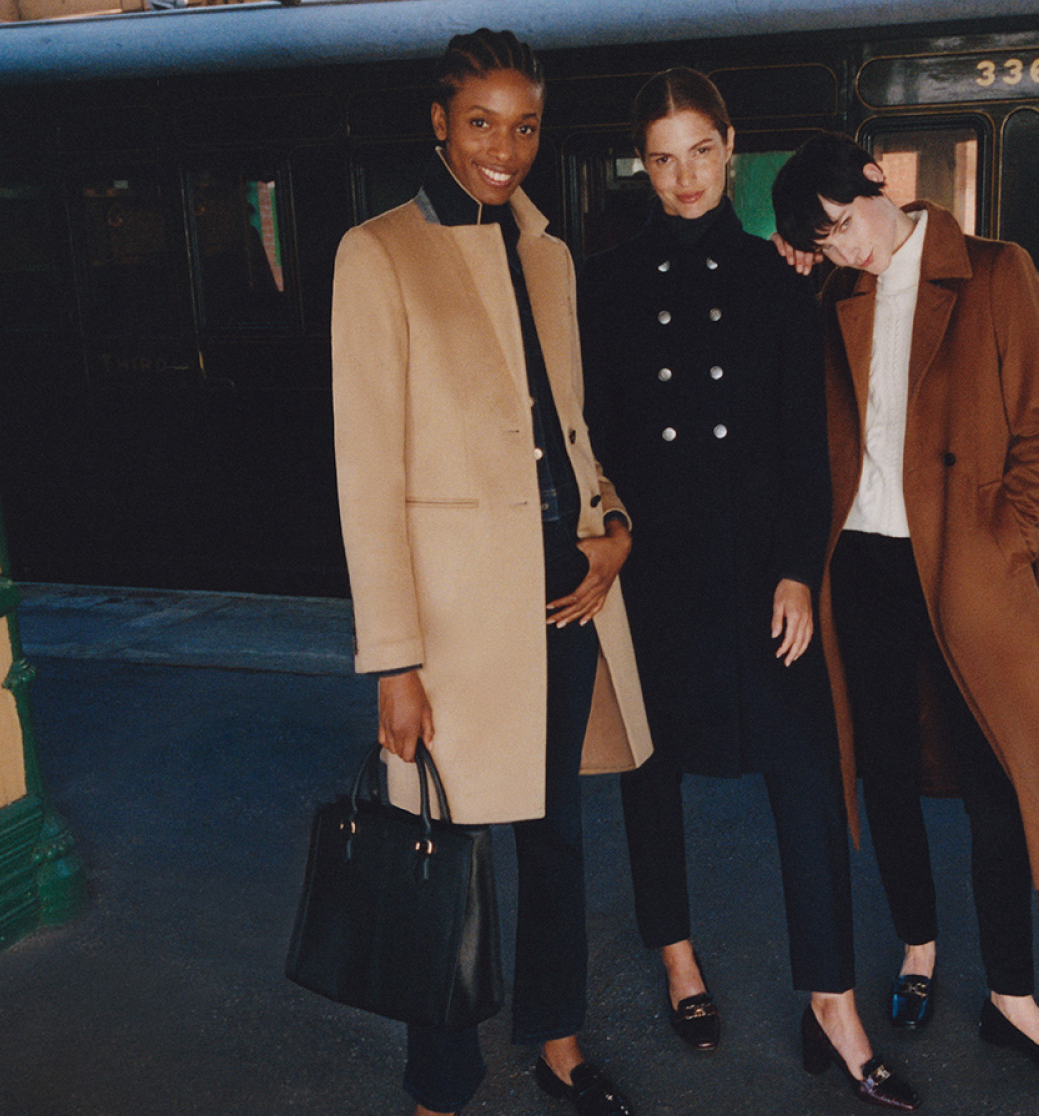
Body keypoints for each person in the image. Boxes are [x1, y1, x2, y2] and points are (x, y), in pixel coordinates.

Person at [578, 71, 917, 1111]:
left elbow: (805, 451)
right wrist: (602, 539)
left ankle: (833, 997)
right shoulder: (606, 280)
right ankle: (677, 955)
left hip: (758, 566)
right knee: (653, 770)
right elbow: (591, 435)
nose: (683, 176)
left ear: (731, 148)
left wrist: (793, 572)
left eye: (700, 151)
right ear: (646, 163)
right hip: (656, 569)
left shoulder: (783, 283)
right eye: (662, 156)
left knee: (808, 772)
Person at [331, 29, 653, 1116]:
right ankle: (440, 1083)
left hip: (565, 597)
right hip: (455, 625)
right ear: (438, 121)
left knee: (556, 840)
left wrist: (612, 528)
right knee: (445, 856)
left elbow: (568, 430)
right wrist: (395, 662)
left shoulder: (547, 254)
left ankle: (558, 1038)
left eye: (524, 127)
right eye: (481, 123)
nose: (503, 149)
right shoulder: (376, 254)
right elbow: (366, 481)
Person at [770, 132, 1039, 1090]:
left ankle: (1014, 997)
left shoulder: (997, 272)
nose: (847, 249)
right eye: (823, 240)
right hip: (865, 569)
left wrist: (1009, 541)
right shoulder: (830, 289)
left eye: (844, 225)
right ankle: (918, 948)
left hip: (964, 566)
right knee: (883, 771)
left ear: (879, 183)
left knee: (996, 781)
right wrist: (799, 265)